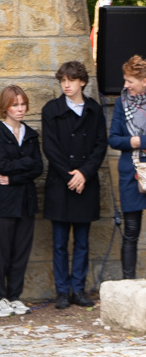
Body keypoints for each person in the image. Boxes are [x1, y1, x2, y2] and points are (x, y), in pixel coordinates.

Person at [42, 61, 106, 309]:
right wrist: (71, 176)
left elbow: (100, 145)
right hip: (61, 183)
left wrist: (84, 174)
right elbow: (50, 147)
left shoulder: (94, 110)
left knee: (81, 241)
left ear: (82, 82)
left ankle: (78, 290)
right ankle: (62, 291)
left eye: (70, 80)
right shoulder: (52, 109)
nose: (66, 85)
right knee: (59, 243)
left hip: (85, 184)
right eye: (62, 81)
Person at [0, 86, 43, 317]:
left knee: (21, 252)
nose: (20, 109)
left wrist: (15, 176)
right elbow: (1, 166)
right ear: (5, 107)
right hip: (2, 203)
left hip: (25, 202)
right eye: (15, 105)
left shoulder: (30, 134)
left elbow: (38, 167)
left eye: (22, 104)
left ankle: (14, 296)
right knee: (1, 253)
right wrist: (25, 164)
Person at [108, 55, 146, 280]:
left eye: (130, 80)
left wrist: (138, 141)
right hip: (130, 173)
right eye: (125, 80)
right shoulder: (122, 103)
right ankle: (128, 284)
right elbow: (113, 139)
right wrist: (130, 142)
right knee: (131, 231)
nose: (125, 85)